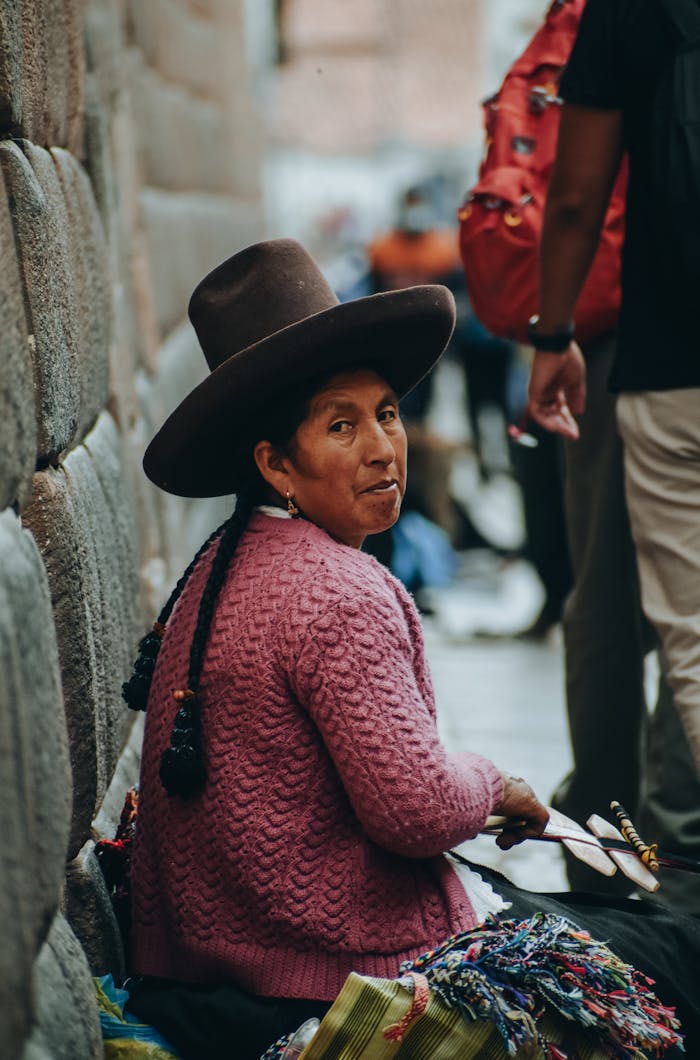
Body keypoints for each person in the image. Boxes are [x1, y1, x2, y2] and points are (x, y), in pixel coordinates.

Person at [124, 239, 699, 1059]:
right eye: (341, 425)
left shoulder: (217, 565)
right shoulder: (337, 590)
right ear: (276, 465)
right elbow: (415, 811)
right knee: (670, 959)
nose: (382, 449)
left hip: (208, 963)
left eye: (387, 413)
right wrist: (493, 782)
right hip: (325, 968)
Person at [525, 0, 700, 909]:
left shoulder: (618, 12)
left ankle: (631, 836)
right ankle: (678, 839)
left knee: (653, 613)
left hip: (657, 353)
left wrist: (550, 334)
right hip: (647, 353)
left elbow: (576, 192)